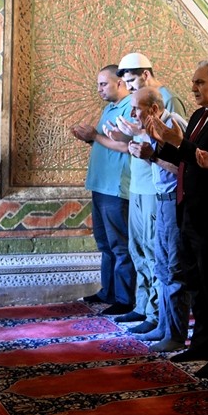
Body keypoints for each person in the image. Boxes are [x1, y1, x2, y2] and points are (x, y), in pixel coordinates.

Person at [146, 61, 208, 369]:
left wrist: (178, 141)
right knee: (196, 284)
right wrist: (163, 143)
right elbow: (186, 158)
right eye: (193, 82)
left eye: (200, 82)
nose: (193, 88)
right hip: (190, 212)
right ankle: (201, 344)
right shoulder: (199, 115)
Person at [111, 51, 184, 327]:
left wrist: (138, 134)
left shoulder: (166, 99)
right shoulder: (137, 100)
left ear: (145, 74)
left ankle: (156, 313)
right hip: (139, 184)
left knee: (156, 253)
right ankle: (142, 305)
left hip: (157, 188)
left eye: (132, 81)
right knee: (137, 248)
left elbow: (174, 145)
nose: (129, 87)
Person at [126, 88, 192, 350]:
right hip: (162, 201)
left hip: (176, 203)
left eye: (137, 108)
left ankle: (175, 335)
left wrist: (151, 156)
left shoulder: (174, 126)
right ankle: (164, 327)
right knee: (162, 268)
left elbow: (185, 170)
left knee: (174, 269)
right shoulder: (152, 128)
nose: (133, 113)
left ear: (154, 108)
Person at [70, 66, 134, 315]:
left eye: (103, 84)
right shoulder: (110, 108)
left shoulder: (130, 107)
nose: (99, 89)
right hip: (100, 185)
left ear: (120, 83)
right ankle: (108, 291)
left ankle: (125, 299)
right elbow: (107, 142)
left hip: (116, 187)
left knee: (120, 245)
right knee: (105, 244)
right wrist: (89, 138)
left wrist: (95, 136)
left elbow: (125, 146)